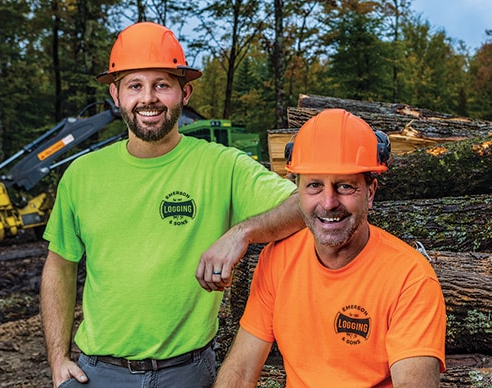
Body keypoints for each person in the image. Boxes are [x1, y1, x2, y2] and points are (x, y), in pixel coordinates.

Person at [40, 22, 304, 388]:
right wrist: (57, 357)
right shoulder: (82, 175)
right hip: (98, 373)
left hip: (189, 373)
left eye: (162, 84)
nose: (148, 98)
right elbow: (59, 267)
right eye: (135, 85)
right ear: (116, 95)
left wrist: (242, 232)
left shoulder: (221, 165)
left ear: (185, 92)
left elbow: (305, 204)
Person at [214, 109, 447, 387]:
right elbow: (239, 372)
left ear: (370, 192)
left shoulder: (410, 278)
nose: (328, 202)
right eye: (314, 185)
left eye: (344, 186)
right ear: (297, 190)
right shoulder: (278, 260)